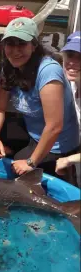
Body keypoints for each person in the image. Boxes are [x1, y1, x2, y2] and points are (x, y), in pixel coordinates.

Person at [0, 18, 79, 178]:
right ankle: (14, 152)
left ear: (34, 45)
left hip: (57, 145)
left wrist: (30, 162)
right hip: (31, 132)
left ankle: (33, 161)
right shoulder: (10, 67)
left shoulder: (48, 71)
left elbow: (54, 126)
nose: (15, 51)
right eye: (10, 44)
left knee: (18, 167)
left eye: (21, 44)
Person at [54, 31, 80, 186]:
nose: (73, 62)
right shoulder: (69, 83)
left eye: (80, 57)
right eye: (70, 55)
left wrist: (70, 159)